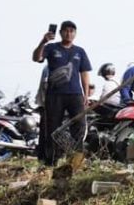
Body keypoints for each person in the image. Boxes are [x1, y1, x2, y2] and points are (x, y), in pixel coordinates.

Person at [32, 20, 92, 165]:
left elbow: (84, 73)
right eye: (66, 30)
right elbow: (36, 58)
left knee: (79, 126)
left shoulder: (80, 51)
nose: (69, 33)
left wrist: (86, 95)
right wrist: (43, 41)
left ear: (75, 34)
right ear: (60, 33)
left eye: (72, 31)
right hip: (55, 94)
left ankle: (75, 160)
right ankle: (51, 161)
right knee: (53, 127)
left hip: (75, 94)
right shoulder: (51, 47)